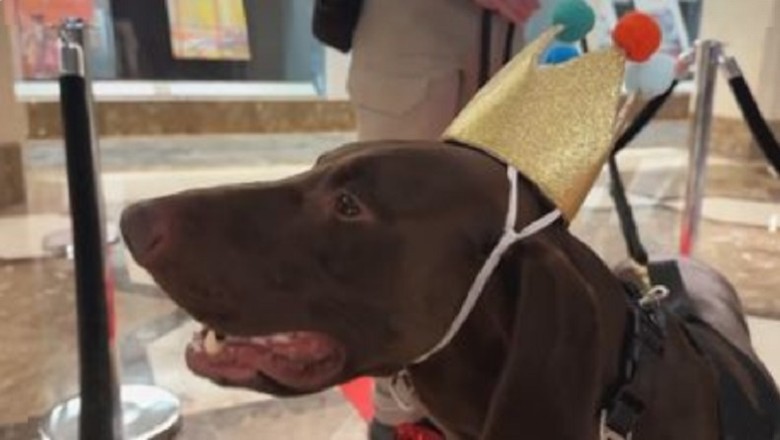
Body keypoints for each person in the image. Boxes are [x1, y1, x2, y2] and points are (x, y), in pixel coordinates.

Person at [340, 0, 554, 438]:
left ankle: (481, 403)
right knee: (398, 231)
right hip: (419, 24)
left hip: (530, 30)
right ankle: (400, 414)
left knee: (512, 230)